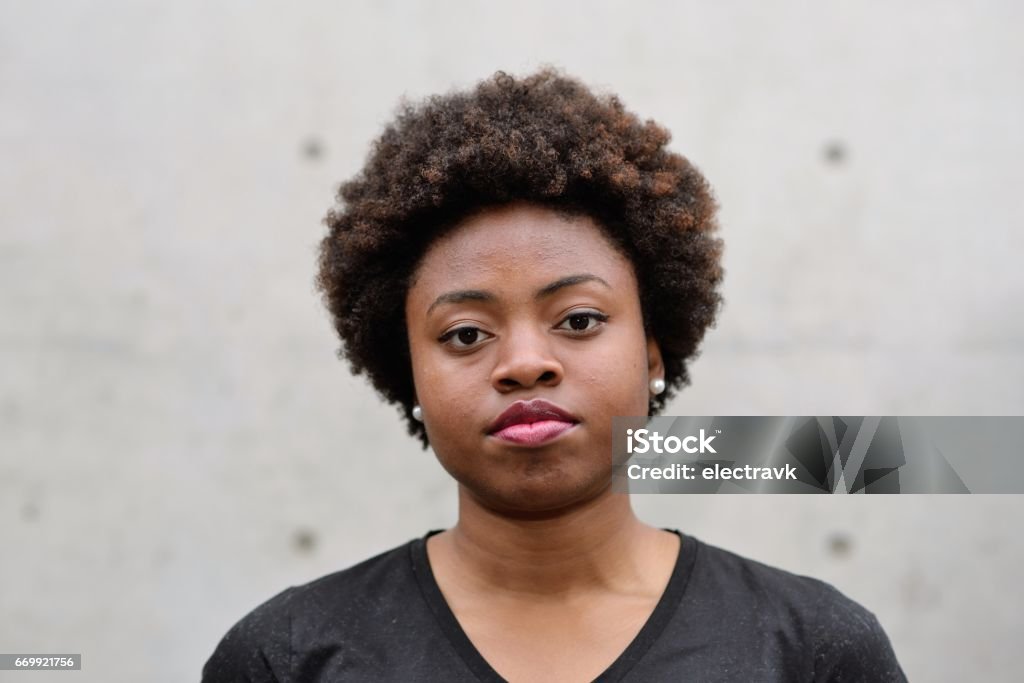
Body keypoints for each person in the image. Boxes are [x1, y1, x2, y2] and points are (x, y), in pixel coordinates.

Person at [202, 68, 906, 682]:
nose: (524, 363)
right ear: (408, 375)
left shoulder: (814, 650)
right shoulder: (285, 658)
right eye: (466, 334)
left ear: (653, 351)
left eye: (577, 320)